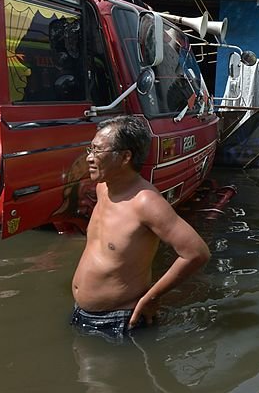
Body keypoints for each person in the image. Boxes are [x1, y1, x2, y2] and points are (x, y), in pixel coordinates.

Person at [70, 115, 211, 342]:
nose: (89, 158)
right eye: (90, 149)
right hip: (83, 313)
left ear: (125, 157)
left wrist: (152, 297)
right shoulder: (103, 189)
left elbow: (196, 252)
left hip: (119, 320)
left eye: (98, 151)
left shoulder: (146, 203)